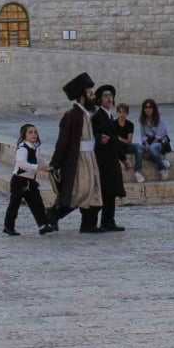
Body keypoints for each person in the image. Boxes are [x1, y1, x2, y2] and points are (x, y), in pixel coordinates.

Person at [50, 73, 103, 233]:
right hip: (79, 160)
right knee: (81, 192)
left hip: (91, 157)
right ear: (82, 97)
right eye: (90, 93)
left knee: (94, 192)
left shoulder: (89, 114)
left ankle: (88, 224)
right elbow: (63, 142)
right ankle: (53, 213)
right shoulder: (71, 115)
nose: (93, 96)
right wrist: (54, 164)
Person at [4, 123, 55, 236]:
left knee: (37, 203)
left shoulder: (35, 148)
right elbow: (22, 163)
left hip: (30, 181)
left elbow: (39, 160)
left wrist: (48, 167)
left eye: (35, 132)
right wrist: (38, 168)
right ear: (24, 135)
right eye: (30, 132)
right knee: (14, 204)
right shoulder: (22, 148)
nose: (34, 135)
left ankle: (43, 225)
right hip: (19, 180)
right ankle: (8, 226)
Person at [90, 84, 127, 232]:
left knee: (111, 192)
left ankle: (108, 220)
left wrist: (123, 158)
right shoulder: (98, 116)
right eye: (105, 96)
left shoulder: (110, 116)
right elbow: (91, 134)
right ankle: (99, 220)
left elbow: (115, 139)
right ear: (100, 99)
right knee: (106, 191)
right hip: (103, 160)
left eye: (110, 96)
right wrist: (99, 138)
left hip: (111, 159)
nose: (109, 98)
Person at [134, 99, 172, 180]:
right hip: (149, 143)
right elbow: (143, 136)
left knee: (152, 148)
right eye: (145, 107)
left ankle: (162, 169)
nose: (148, 109)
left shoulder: (160, 119)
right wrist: (147, 145)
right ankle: (162, 162)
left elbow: (159, 136)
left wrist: (149, 147)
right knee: (140, 150)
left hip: (161, 143)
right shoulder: (143, 121)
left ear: (154, 108)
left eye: (150, 107)